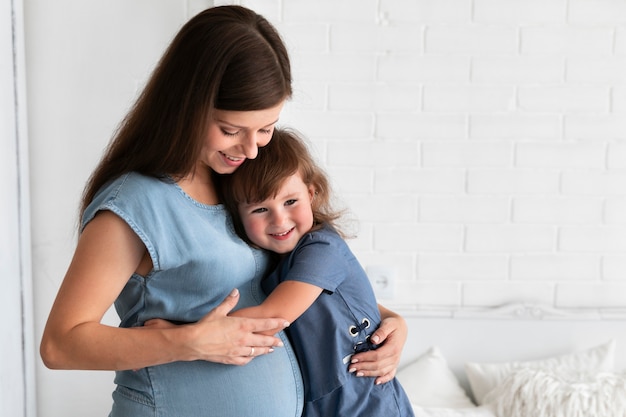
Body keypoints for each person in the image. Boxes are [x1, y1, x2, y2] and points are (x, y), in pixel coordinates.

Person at [39, 5, 408, 417]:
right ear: (187, 106)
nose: (250, 149)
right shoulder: (136, 204)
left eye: (265, 129)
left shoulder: (244, 183)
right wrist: (186, 341)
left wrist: (389, 324)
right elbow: (60, 344)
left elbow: (299, 280)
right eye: (231, 131)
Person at [221, 127, 415, 417]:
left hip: (368, 405)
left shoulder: (322, 248)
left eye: (290, 202)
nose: (279, 219)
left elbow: (273, 317)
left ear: (311, 194)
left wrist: (183, 331)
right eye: (260, 209)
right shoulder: (273, 266)